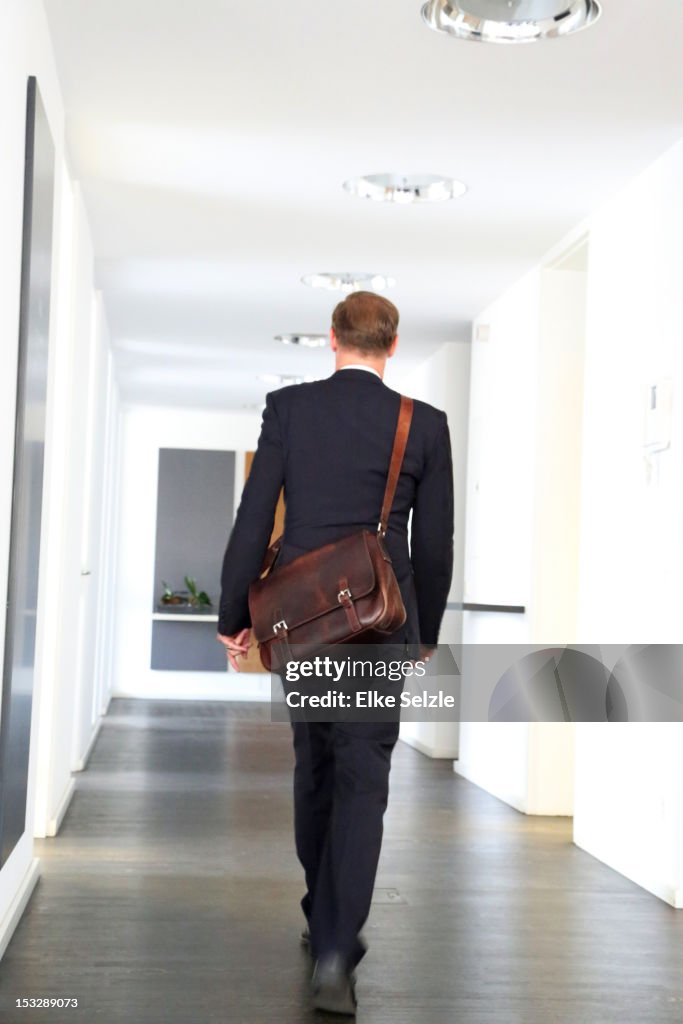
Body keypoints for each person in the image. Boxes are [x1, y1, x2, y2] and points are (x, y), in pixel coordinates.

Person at [217, 291, 454, 1015]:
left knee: (315, 767)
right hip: (381, 622)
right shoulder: (424, 425)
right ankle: (334, 947)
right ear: (392, 345)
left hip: (303, 621)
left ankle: (322, 912)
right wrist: (425, 633)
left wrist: (235, 617)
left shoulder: (289, 410)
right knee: (362, 782)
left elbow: (255, 517)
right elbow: (434, 544)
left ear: (331, 340)